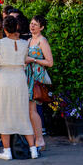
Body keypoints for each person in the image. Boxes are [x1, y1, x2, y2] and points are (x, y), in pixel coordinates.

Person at [0, 15, 35, 160]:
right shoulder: (24, 43)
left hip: (3, 80)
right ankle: (33, 150)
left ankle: (7, 151)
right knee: (22, 114)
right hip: (19, 80)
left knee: (3, 114)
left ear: (4, 29)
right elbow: (24, 60)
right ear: (17, 27)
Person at [25, 15, 53, 157]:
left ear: (41, 27)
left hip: (36, 79)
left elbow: (50, 62)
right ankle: (37, 139)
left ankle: (40, 139)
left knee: (32, 110)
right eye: (31, 23)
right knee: (30, 111)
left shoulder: (42, 41)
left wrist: (33, 60)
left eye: (35, 24)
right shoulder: (29, 40)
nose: (32, 26)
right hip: (28, 77)